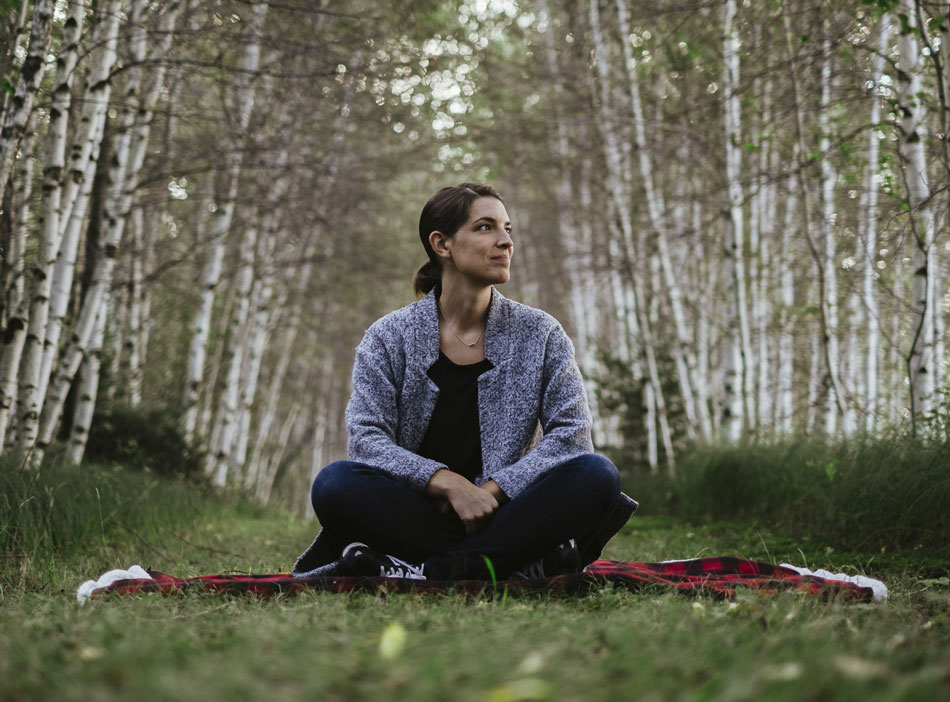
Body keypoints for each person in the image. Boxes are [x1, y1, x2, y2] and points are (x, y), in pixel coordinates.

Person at [293, 183, 637, 581]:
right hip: (419, 513)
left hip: (508, 512)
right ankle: (511, 565)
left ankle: (430, 572)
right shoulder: (388, 336)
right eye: (486, 227)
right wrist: (447, 485)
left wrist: (490, 491)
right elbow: (367, 439)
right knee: (335, 483)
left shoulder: (540, 332)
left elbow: (571, 435)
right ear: (442, 244)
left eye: (508, 229)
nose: (506, 241)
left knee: (597, 474)